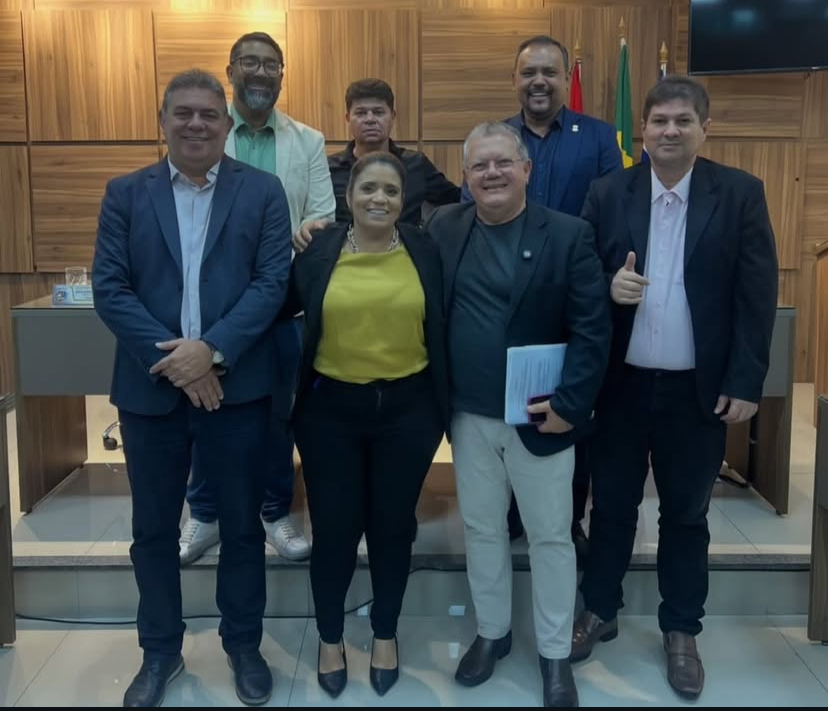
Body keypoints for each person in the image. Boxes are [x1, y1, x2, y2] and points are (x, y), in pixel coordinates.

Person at [572, 76, 778, 700]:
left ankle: (681, 629)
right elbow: (577, 276)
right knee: (610, 508)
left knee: (686, 514)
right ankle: (600, 608)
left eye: (683, 121)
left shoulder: (740, 193)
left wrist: (746, 380)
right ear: (642, 130)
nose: (669, 131)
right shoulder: (608, 192)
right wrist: (608, 285)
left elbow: (756, 296)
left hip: (698, 392)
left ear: (704, 129)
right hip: (621, 388)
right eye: (659, 121)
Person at [92, 69, 292, 707]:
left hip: (238, 389)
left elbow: (271, 283)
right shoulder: (125, 194)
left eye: (209, 113)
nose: (197, 124)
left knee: (241, 527)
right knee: (153, 530)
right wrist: (181, 361)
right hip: (150, 393)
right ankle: (160, 651)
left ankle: (243, 645)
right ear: (163, 122)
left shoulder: (262, 192)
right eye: (184, 113)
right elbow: (110, 288)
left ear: (227, 124)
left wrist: (212, 351)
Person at [428, 122, 610, 707]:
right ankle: (493, 632)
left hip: (542, 420)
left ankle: (555, 655)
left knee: (551, 537)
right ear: (465, 177)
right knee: (482, 530)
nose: (492, 174)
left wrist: (570, 405)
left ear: (526, 170)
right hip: (469, 417)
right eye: (479, 165)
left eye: (503, 162)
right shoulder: (444, 227)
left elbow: (592, 329)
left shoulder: (569, 234)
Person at [285, 152, 449, 699]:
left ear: (405, 201)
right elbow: (278, 305)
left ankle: (384, 633)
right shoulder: (320, 249)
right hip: (330, 413)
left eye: (391, 191)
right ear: (349, 195)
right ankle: (330, 637)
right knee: (333, 530)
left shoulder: (426, 249)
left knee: (392, 527)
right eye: (369, 189)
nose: (379, 199)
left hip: (409, 413)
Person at [179, 32, 335, 565]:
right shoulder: (205, 130)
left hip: (282, 305)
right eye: (250, 62)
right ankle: (204, 513)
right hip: (211, 305)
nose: (261, 72)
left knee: (277, 415)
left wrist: (309, 229)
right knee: (203, 407)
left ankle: (274, 511)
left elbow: (323, 213)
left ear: (282, 75)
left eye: (271, 64)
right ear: (231, 71)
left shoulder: (307, 141)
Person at [480, 35, 623, 554]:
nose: (538, 81)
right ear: (514, 80)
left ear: (566, 78)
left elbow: (614, 213)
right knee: (511, 409)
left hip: (575, 296)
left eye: (549, 72)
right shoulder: (496, 140)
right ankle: (512, 513)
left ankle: (569, 516)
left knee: (571, 407)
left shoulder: (599, 138)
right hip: (507, 299)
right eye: (528, 72)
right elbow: (476, 210)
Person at [328, 78, 460, 225]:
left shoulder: (416, 164)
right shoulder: (328, 169)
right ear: (348, 118)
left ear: (392, 117)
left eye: (378, 112)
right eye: (361, 113)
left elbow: (458, 201)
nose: (370, 119)